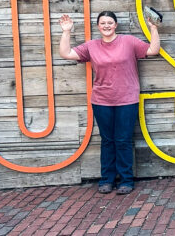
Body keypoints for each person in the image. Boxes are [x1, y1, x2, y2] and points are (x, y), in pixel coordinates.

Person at [58, 11, 160, 194]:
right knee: (107, 141)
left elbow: (153, 50)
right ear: (98, 26)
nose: (106, 25)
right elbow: (65, 53)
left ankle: (126, 180)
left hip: (127, 99)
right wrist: (66, 31)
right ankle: (107, 180)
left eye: (110, 22)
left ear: (116, 25)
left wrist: (153, 29)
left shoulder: (128, 41)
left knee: (123, 140)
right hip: (101, 100)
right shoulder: (92, 46)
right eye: (103, 23)